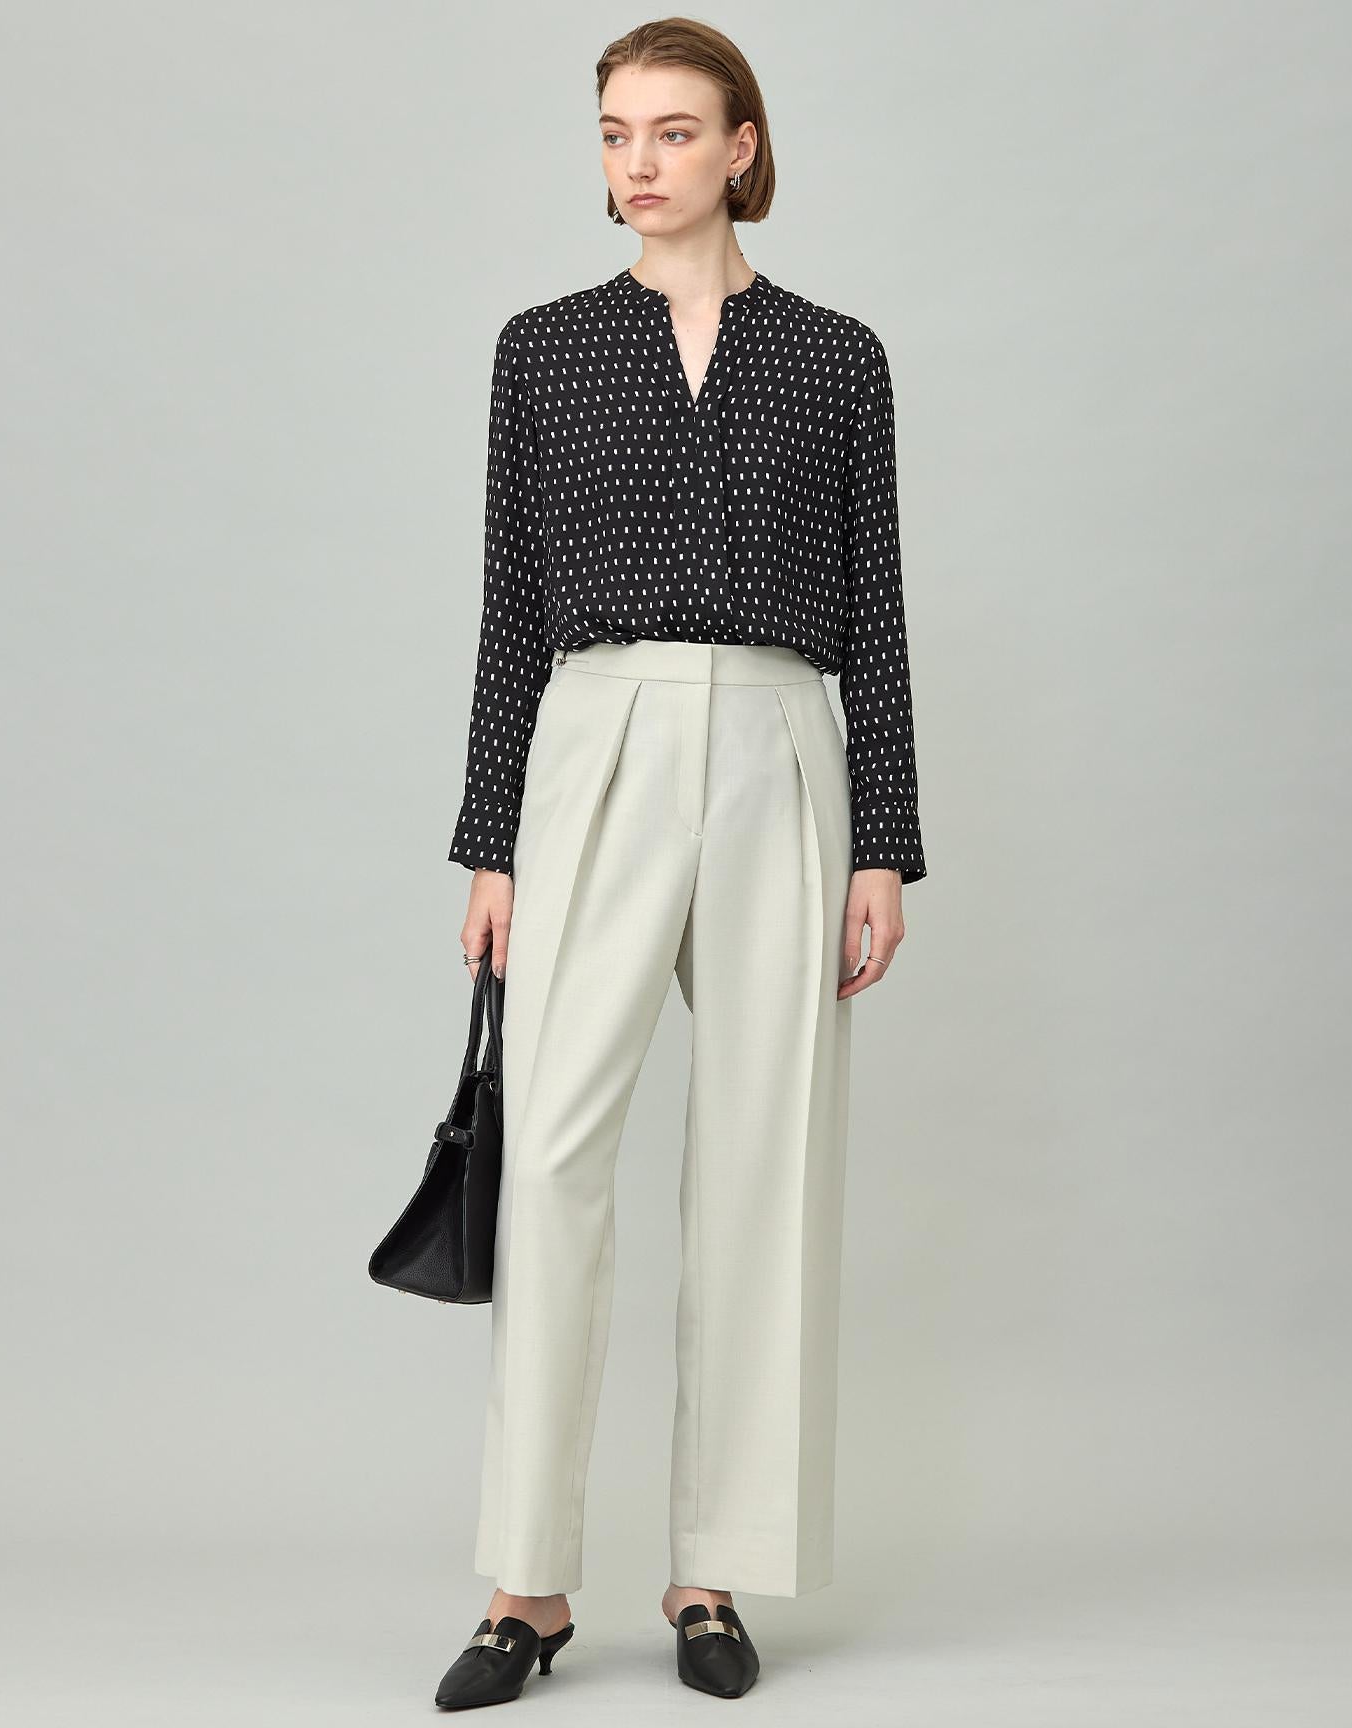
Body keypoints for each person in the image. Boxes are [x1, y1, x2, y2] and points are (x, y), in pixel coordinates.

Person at [433, 17, 926, 1710]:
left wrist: (887, 845)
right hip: (597, 741)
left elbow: (877, 608)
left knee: (764, 1156)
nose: (637, 162)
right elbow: (510, 609)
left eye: (671, 131)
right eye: (613, 133)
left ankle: (710, 1571)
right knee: (556, 1151)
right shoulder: (546, 350)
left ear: (741, 147)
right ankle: (528, 1586)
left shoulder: (837, 357)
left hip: (785, 745)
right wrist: (491, 839)